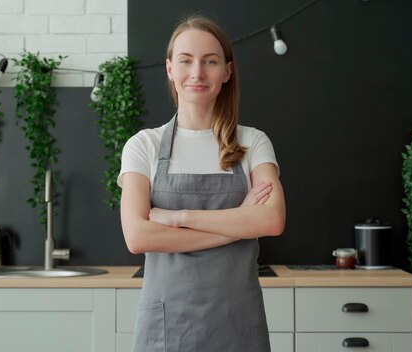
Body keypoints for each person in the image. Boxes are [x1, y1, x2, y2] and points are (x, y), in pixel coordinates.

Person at [118, 15, 286, 352]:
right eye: (186, 61)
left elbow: (271, 220)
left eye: (210, 61)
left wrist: (179, 218)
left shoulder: (252, 142)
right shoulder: (144, 145)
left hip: (238, 325)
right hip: (166, 328)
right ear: (169, 69)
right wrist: (239, 223)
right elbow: (137, 237)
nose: (197, 72)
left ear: (227, 71)